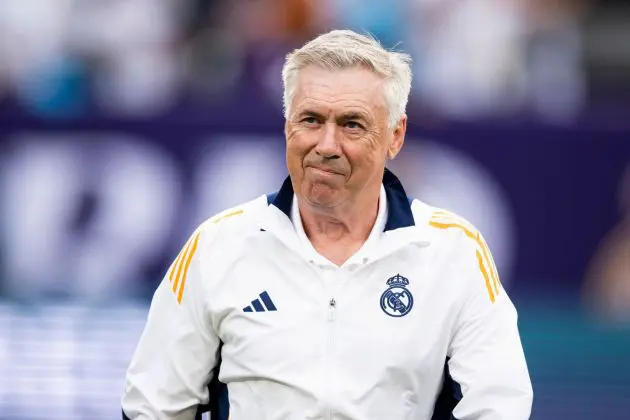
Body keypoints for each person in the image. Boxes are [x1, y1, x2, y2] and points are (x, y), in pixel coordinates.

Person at [122, 29, 533, 420]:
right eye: (311, 120)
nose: (327, 145)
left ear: (395, 135)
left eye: (351, 124)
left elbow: (498, 406)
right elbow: (153, 406)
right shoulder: (219, 245)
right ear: (287, 125)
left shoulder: (453, 253)